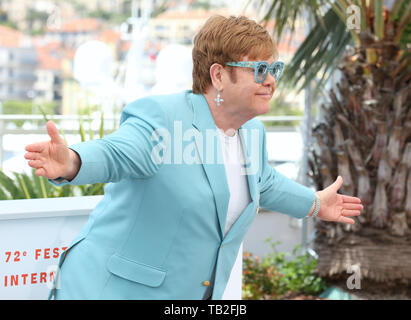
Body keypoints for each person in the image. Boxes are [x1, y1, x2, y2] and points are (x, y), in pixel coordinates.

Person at [24, 15, 363, 300]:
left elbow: (263, 181)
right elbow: (118, 153)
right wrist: (71, 161)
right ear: (218, 75)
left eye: (274, 67)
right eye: (259, 69)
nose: (271, 80)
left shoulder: (252, 132)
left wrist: (315, 203)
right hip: (108, 290)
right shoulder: (163, 117)